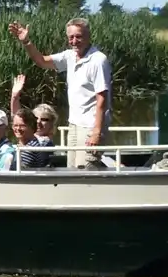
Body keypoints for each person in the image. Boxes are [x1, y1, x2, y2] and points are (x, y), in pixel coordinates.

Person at [9, 17, 111, 169]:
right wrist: (26, 42)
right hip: (74, 124)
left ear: (88, 36)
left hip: (90, 126)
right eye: (71, 37)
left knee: (86, 170)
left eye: (79, 36)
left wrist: (96, 132)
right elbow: (42, 61)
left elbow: (102, 99)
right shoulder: (69, 56)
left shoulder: (98, 60)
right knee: (72, 169)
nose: (74, 41)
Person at [10, 73, 60, 150]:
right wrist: (14, 96)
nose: (38, 122)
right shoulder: (25, 135)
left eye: (44, 119)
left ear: (52, 123)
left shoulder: (45, 142)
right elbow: (17, 117)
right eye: (36, 118)